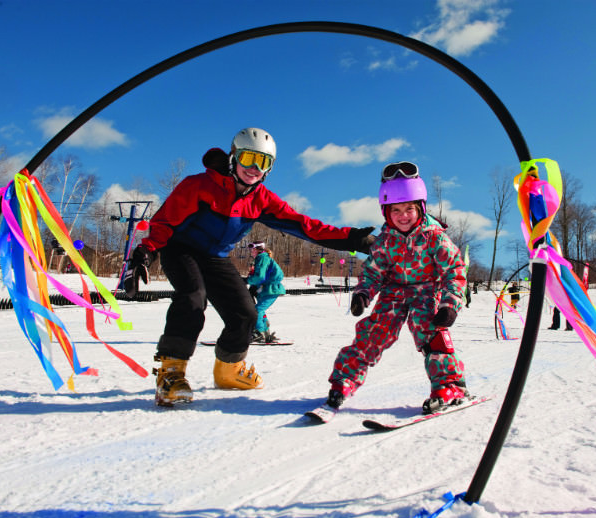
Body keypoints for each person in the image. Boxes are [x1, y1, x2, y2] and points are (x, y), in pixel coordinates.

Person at [123, 127, 375, 406]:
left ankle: (228, 370)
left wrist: (353, 239)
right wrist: (145, 253)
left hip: (215, 257)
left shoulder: (261, 200)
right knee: (193, 297)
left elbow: (305, 226)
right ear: (234, 157)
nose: (254, 168)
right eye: (248, 159)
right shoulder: (199, 186)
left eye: (263, 162)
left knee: (246, 313)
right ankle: (171, 373)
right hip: (181, 249)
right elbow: (164, 223)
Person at [324, 161, 468, 415]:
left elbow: (454, 271)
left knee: (429, 330)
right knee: (372, 334)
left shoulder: (435, 237)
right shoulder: (385, 242)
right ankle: (343, 380)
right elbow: (373, 273)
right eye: (396, 210)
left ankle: (450, 385)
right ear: (385, 212)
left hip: (426, 292)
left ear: (421, 208)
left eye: (409, 209)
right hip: (394, 293)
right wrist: (362, 294)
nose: (403, 216)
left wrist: (449, 304)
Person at [246, 241, 285, 343]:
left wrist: (247, 281)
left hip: (271, 289)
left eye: (252, 249)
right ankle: (266, 333)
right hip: (265, 289)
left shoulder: (262, 257)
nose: (251, 252)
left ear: (258, 249)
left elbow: (260, 276)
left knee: (256, 310)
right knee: (260, 310)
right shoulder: (263, 258)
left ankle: (260, 332)